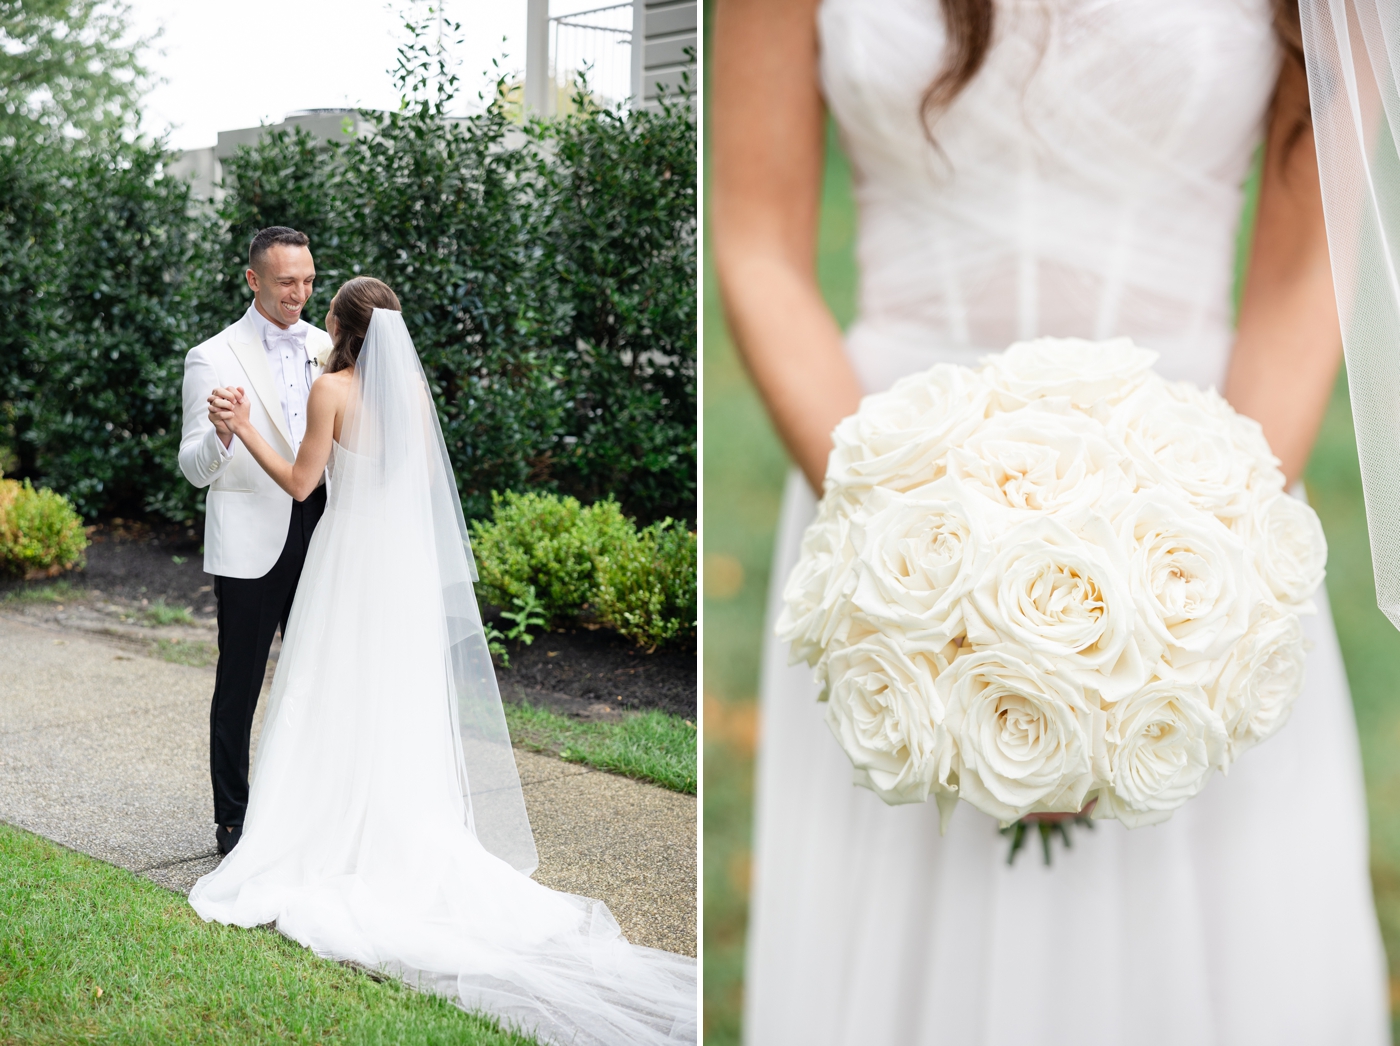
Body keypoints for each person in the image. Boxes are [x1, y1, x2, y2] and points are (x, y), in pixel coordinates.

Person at [711, 0, 1389, 1042]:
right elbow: (756, 243)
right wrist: (896, 546)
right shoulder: (887, 519)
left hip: (1199, 495)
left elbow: (1303, 272)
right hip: (884, 489)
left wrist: (1206, 562)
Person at [189, 278, 696, 1045]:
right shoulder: (412, 400)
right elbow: (420, 485)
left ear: (341, 326)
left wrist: (249, 425)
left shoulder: (333, 389)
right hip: (399, 568)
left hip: (346, 559)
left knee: (330, 692)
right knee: (395, 699)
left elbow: (301, 483)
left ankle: (328, 829)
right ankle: (394, 826)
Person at [178, 226, 333, 857]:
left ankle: (314, 806)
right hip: (251, 540)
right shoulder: (211, 356)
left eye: (308, 281)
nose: (299, 294)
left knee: (320, 673)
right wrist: (221, 436)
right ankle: (233, 818)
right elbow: (191, 467)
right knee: (239, 679)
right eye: (286, 283)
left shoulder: (327, 346)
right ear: (253, 280)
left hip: (324, 528)